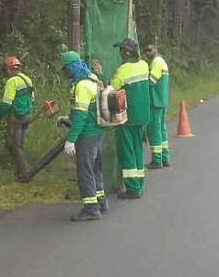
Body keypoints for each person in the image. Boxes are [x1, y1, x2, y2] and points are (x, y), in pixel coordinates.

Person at [94, 38, 150, 199]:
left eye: (121, 52)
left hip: (127, 118)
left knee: (127, 151)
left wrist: (100, 74)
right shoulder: (144, 65)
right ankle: (139, 183)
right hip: (142, 116)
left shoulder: (123, 70)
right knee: (137, 149)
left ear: (125, 54)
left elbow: (109, 89)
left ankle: (133, 188)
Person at [58, 51, 109, 221]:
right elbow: (89, 109)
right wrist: (68, 118)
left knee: (85, 171)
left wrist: (71, 140)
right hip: (99, 130)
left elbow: (81, 116)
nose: (66, 73)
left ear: (72, 67)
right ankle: (101, 201)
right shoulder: (93, 79)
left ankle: (91, 208)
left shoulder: (81, 86)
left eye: (66, 69)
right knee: (96, 168)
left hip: (88, 133)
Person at [0, 55, 34, 181]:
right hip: (27, 115)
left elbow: (7, 104)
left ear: (9, 69)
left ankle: (26, 172)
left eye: (5, 70)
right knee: (19, 145)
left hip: (16, 116)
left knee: (13, 145)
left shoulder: (12, 81)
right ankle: (20, 172)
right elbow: (32, 100)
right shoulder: (27, 79)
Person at [142, 41, 170, 169]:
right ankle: (165, 157)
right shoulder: (162, 61)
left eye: (150, 50)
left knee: (154, 131)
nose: (148, 53)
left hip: (155, 101)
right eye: (146, 51)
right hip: (162, 101)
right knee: (162, 130)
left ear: (156, 49)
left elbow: (150, 82)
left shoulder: (156, 62)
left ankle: (157, 159)